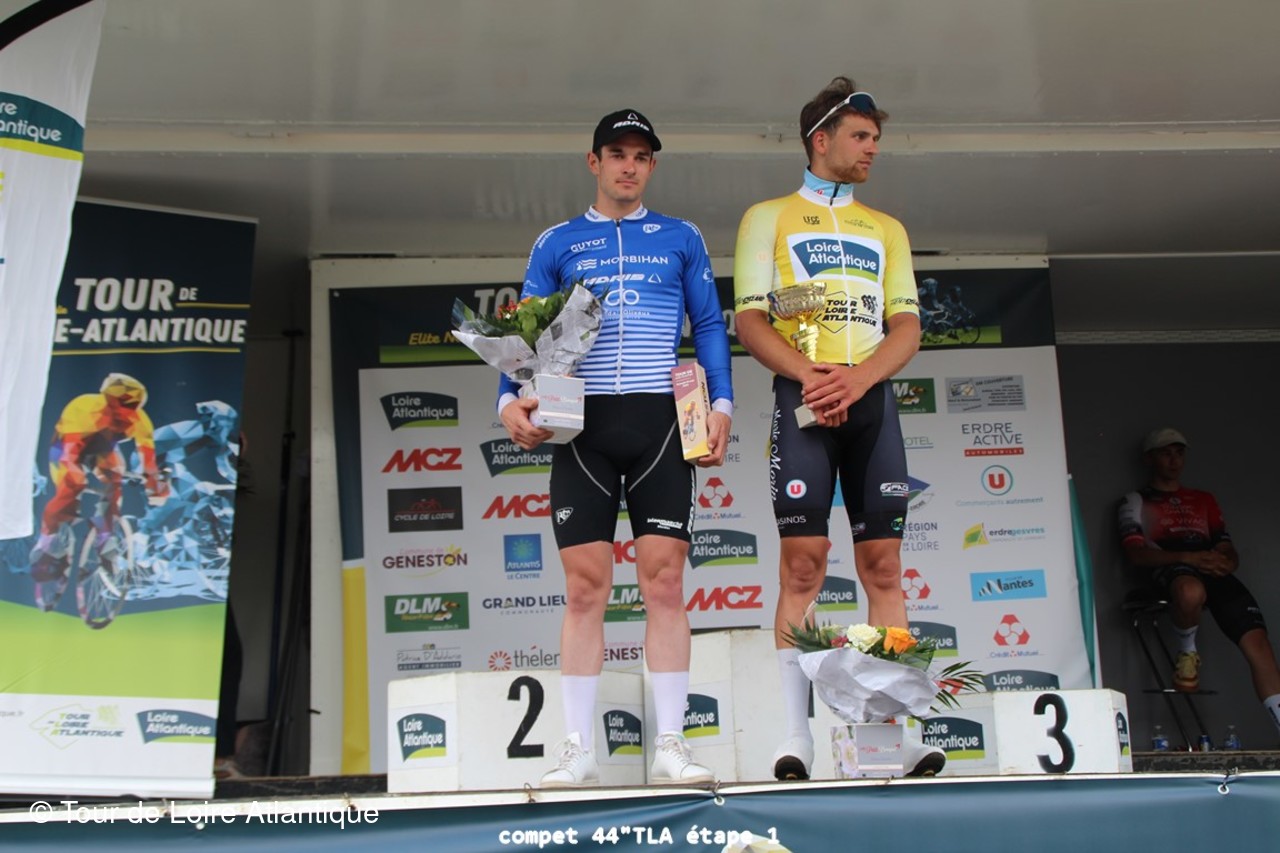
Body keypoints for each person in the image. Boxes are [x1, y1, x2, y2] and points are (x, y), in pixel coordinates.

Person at [498, 109, 734, 787]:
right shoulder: (557, 241)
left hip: (662, 420)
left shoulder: (682, 236)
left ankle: (671, 744)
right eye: (617, 153)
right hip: (582, 423)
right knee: (584, 588)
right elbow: (522, 332)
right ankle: (577, 750)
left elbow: (708, 324)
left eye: (641, 156)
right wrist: (507, 399)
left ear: (652, 165)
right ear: (593, 161)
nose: (629, 166)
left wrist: (721, 405)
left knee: (665, 581)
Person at [733, 77, 944, 779]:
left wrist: (857, 380)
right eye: (860, 137)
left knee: (883, 566)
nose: (872, 148)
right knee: (804, 563)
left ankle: (893, 733)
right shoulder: (767, 217)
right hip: (804, 402)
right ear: (819, 140)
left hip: (870, 403)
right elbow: (750, 319)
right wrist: (812, 376)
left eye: (876, 138)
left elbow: (906, 325)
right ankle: (797, 736)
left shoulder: (888, 228)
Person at [1118, 428, 1280, 738]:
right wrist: (1188, 558)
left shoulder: (1203, 499)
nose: (1174, 460)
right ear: (1149, 459)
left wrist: (1227, 562)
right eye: (1166, 453)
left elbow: (1225, 546)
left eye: (1179, 453)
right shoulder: (1136, 500)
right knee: (1191, 590)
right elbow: (1136, 554)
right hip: (1171, 567)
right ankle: (1187, 653)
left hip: (1210, 567)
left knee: (1259, 644)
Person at [28, 372, 169, 607]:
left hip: (102, 449)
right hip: (67, 445)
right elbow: (70, 454)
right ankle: (46, 540)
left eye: (131, 407)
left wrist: (155, 487)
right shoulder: (83, 408)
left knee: (115, 480)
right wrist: (77, 477)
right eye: (118, 406)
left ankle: (105, 538)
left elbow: (149, 464)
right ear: (106, 400)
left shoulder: (140, 421)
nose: (124, 413)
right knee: (71, 485)